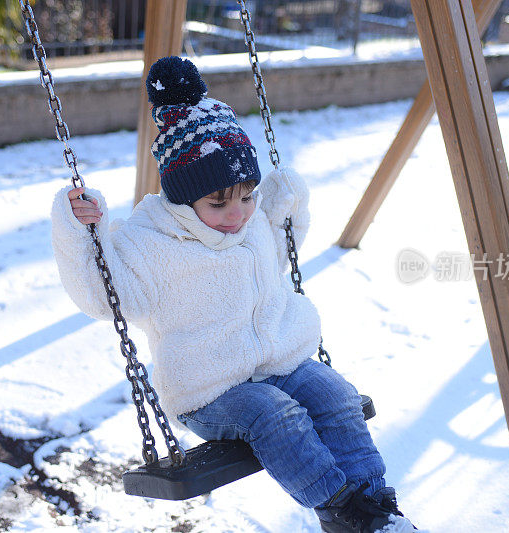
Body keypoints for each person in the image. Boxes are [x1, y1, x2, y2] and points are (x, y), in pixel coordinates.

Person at [51, 56, 414, 533]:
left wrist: (288, 205)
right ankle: (343, 513)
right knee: (277, 415)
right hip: (210, 389)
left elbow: (278, 254)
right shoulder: (147, 242)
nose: (237, 214)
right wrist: (81, 233)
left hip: (279, 362)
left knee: (337, 395)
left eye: (247, 196)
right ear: (182, 196)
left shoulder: (251, 219)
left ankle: (377, 508)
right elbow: (105, 296)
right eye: (217, 203)